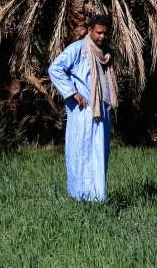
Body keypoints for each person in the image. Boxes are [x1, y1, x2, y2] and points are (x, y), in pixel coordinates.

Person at [48, 14, 117, 201]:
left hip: (101, 111)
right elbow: (55, 69)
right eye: (98, 32)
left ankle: (97, 197)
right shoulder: (78, 49)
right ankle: (79, 197)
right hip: (83, 112)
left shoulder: (106, 54)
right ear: (89, 30)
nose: (102, 36)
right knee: (81, 152)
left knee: (99, 153)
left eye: (105, 33)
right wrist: (72, 93)